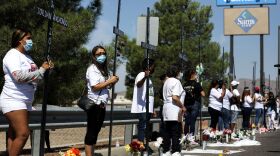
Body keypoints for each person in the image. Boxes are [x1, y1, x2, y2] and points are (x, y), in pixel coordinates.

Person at [0, 28, 52, 156]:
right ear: (19, 40)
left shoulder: (27, 57)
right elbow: (19, 76)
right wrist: (41, 70)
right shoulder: (12, 55)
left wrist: (47, 71)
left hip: (26, 100)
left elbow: (35, 79)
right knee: (23, 133)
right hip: (13, 98)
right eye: (28, 38)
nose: (31, 41)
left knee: (14, 134)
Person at [84, 45, 119, 156]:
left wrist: (113, 81)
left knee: (95, 133)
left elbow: (106, 87)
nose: (102, 56)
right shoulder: (92, 69)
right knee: (91, 133)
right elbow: (95, 87)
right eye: (99, 54)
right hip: (94, 104)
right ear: (94, 56)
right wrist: (110, 81)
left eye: (103, 53)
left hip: (102, 105)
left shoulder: (103, 70)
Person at [131, 58, 155, 152]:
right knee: (142, 128)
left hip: (148, 108)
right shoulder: (141, 75)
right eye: (153, 66)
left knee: (144, 129)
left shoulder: (149, 78)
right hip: (142, 108)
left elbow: (150, 94)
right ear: (149, 66)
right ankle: (140, 148)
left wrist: (152, 109)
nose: (154, 68)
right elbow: (138, 85)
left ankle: (142, 146)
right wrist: (145, 76)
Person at [162, 65, 186, 156]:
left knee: (167, 131)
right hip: (174, 108)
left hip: (166, 108)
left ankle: (166, 150)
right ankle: (175, 151)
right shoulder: (176, 81)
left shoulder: (166, 81)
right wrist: (182, 106)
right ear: (176, 72)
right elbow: (175, 97)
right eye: (179, 71)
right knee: (176, 131)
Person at [183, 69, 205, 143]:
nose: (196, 75)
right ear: (192, 75)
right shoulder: (196, 84)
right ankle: (191, 137)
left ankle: (185, 137)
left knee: (187, 121)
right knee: (193, 121)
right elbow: (203, 94)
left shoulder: (185, 84)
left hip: (186, 104)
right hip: (194, 104)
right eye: (195, 74)